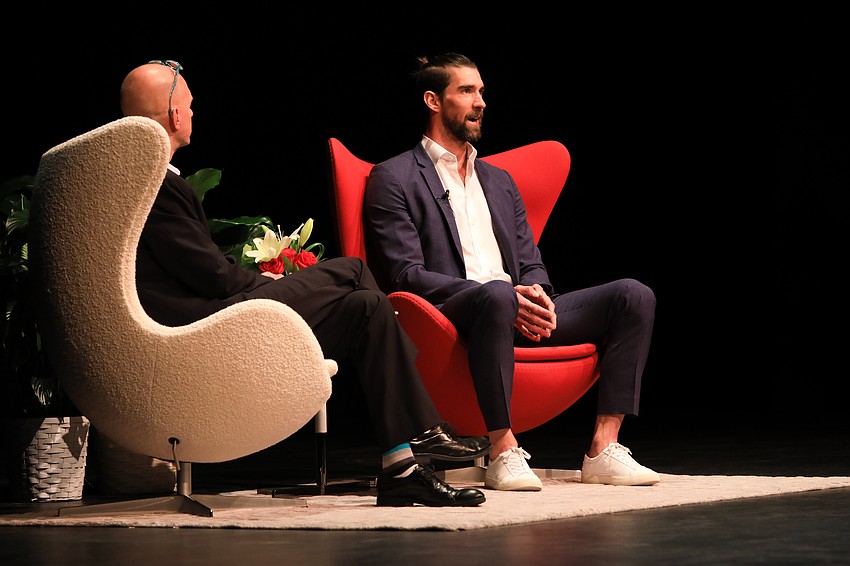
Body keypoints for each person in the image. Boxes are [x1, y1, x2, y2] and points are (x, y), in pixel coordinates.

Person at [121, 59, 491, 507]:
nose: (194, 115)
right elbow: (213, 276)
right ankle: (424, 426)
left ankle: (402, 467)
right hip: (206, 322)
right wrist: (260, 279)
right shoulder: (153, 183)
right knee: (353, 270)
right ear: (175, 116)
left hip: (215, 310)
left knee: (368, 308)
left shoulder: (139, 179)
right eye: (190, 107)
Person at [363, 53, 660, 492]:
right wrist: (499, 294)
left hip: (514, 307)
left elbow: (529, 259)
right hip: (452, 315)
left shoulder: (499, 180)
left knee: (633, 296)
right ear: (432, 100)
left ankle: (603, 446)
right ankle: (502, 448)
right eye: (466, 91)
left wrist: (537, 292)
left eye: (481, 91)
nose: (480, 101)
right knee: (497, 293)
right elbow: (407, 275)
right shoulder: (395, 176)